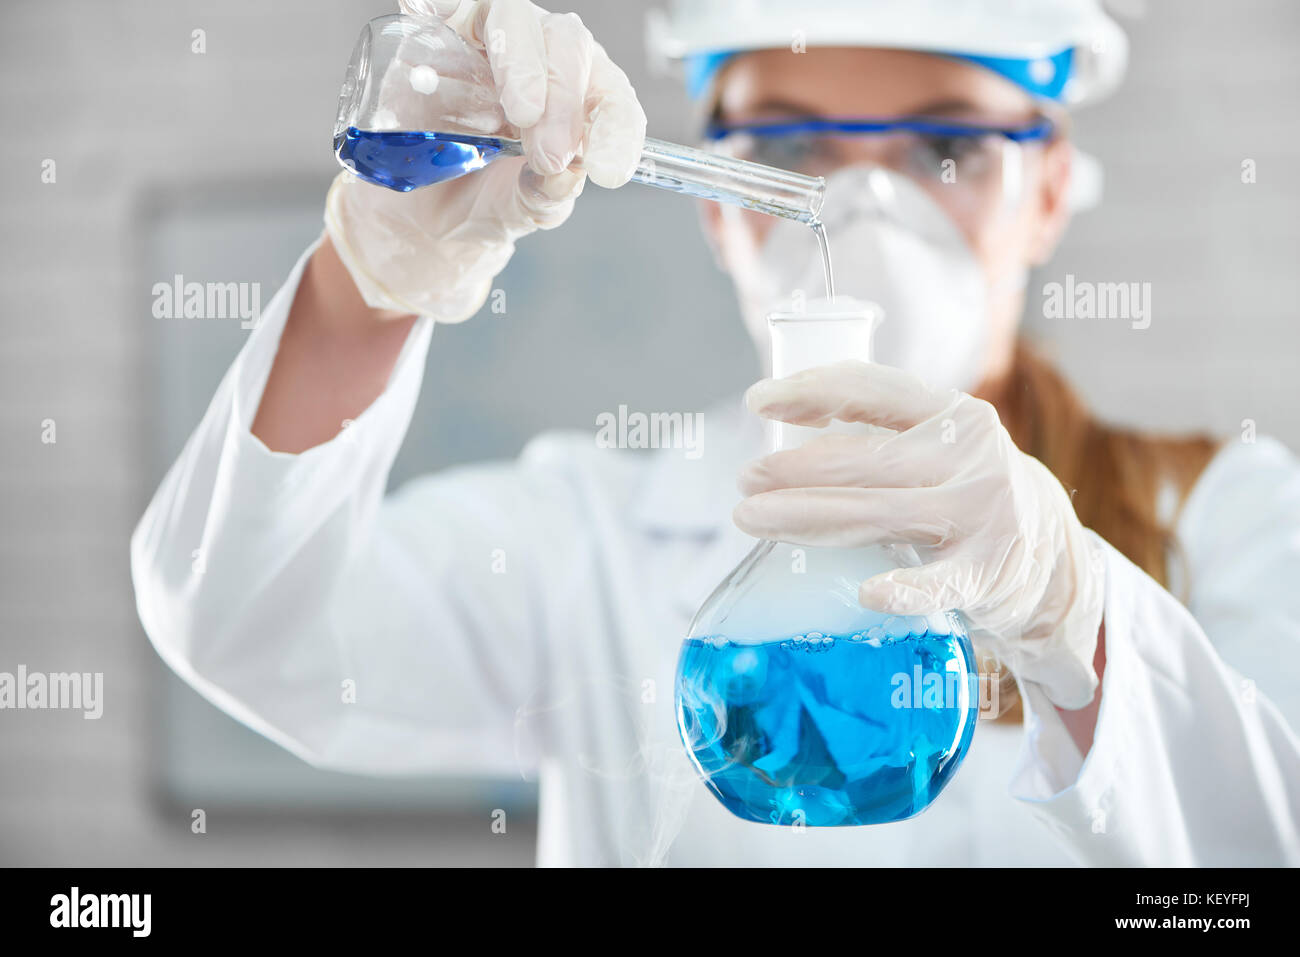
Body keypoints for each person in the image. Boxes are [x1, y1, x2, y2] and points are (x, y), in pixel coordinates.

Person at [130, 0, 1300, 866]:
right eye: (791, 148)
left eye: (943, 147)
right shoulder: (581, 536)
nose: (862, 204)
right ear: (709, 201)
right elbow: (241, 625)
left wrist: (1077, 619)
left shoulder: (1230, 517)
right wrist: (369, 285)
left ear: (1046, 192)